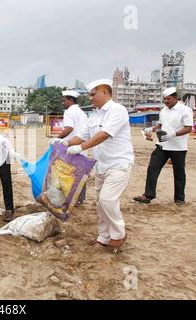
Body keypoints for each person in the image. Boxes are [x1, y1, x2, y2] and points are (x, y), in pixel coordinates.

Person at [65, 79, 135, 250]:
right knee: (100, 202)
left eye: (93, 94)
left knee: (107, 199)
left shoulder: (118, 110)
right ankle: (104, 236)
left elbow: (104, 134)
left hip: (119, 163)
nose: (90, 98)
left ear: (104, 92)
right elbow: (81, 135)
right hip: (101, 165)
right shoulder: (94, 115)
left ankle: (119, 234)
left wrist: (80, 148)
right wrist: (63, 144)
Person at [133, 87, 193, 206]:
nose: (166, 101)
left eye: (168, 99)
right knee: (152, 168)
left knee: (179, 173)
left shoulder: (185, 110)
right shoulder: (163, 110)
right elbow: (160, 126)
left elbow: (189, 128)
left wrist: (173, 134)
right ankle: (148, 195)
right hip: (162, 145)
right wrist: (150, 129)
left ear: (176, 98)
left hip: (178, 147)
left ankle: (179, 198)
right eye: (164, 99)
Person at [50, 90, 89, 205]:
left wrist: (58, 139)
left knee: (67, 172)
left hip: (71, 146)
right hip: (82, 146)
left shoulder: (69, 112)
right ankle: (80, 199)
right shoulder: (82, 113)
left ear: (70, 100)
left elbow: (69, 128)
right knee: (81, 171)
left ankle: (68, 197)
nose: (63, 103)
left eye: (64, 100)